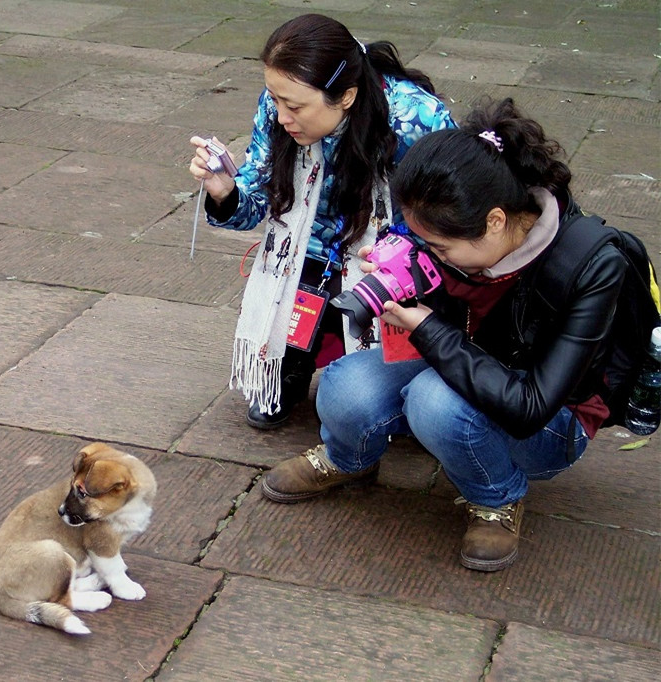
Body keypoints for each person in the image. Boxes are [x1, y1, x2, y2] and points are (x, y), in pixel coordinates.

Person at [262, 98, 631, 572]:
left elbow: (529, 408)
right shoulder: (451, 231)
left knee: (434, 401)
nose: (430, 252)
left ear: (495, 221)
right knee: (346, 383)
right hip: (463, 361)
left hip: (551, 419)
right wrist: (400, 277)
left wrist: (429, 328)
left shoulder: (591, 265)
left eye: (439, 246)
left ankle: (497, 496)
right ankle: (348, 457)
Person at [189, 13, 455, 430]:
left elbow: (450, 224)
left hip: (391, 256)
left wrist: (395, 254)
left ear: (346, 96)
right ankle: (289, 365)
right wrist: (224, 191)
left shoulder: (416, 119)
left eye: (293, 106)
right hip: (307, 249)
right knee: (297, 271)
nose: (280, 116)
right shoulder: (277, 108)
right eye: (274, 99)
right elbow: (257, 201)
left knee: (370, 294)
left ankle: (396, 382)